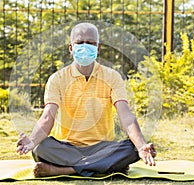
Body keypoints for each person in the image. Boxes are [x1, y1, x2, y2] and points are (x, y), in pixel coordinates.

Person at [16, 22, 156, 177]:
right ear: (71, 48)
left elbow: (126, 115)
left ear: (98, 48)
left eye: (90, 43)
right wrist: (31, 141)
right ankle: (107, 166)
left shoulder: (112, 77)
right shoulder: (57, 79)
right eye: (80, 42)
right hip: (66, 147)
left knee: (133, 148)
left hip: (102, 147)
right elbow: (48, 116)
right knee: (40, 147)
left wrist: (142, 145)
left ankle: (65, 170)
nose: (85, 46)